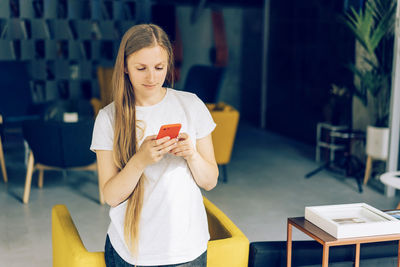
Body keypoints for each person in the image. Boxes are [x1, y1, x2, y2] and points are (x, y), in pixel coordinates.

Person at [90, 24, 219, 267]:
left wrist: (192, 155)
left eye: (159, 68)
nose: (152, 77)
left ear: (169, 64)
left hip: (187, 249)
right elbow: (111, 196)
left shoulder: (191, 105)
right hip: (130, 252)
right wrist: (139, 161)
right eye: (141, 68)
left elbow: (210, 181)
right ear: (125, 67)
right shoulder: (108, 118)